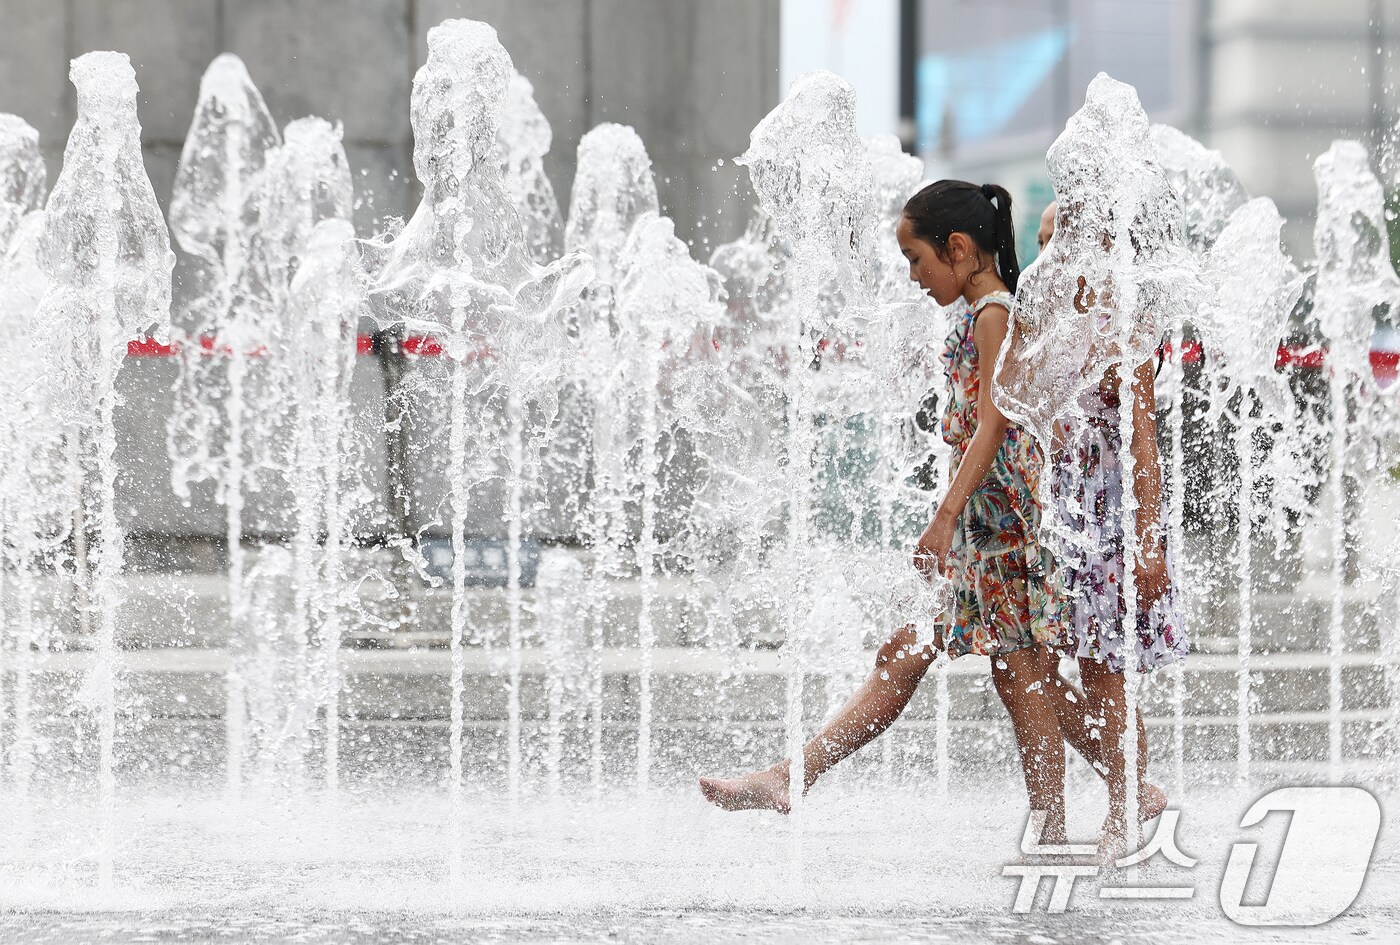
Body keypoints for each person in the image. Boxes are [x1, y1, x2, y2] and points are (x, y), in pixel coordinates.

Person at [701, 181, 1079, 843]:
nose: (913, 277)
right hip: (982, 526)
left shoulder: (994, 311)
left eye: (916, 259)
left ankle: (1068, 822)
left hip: (1002, 527)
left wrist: (945, 515)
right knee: (925, 654)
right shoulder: (979, 311)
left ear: (957, 247)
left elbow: (995, 422)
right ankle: (792, 774)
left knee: (1023, 677)